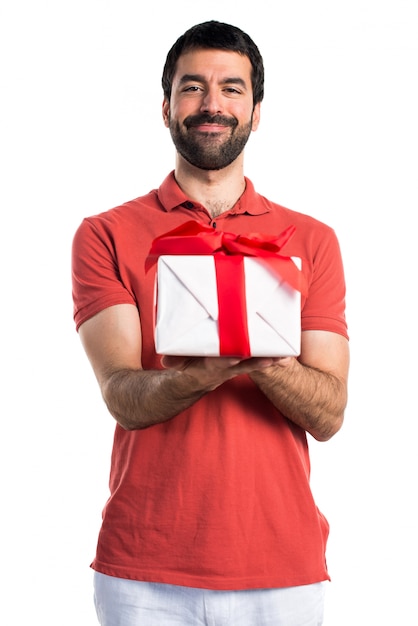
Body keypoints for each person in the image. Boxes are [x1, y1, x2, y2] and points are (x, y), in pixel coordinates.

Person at [72, 20, 349, 626]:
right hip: (143, 570)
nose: (212, 104)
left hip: (282, 570)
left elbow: (329, 414)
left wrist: (267, 359)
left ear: (256, 110)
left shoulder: (311, 241)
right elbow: (122, 395)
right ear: (166, 106)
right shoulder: (106, 234)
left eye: (232, 89)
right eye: (193, 87)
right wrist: (206, 371)